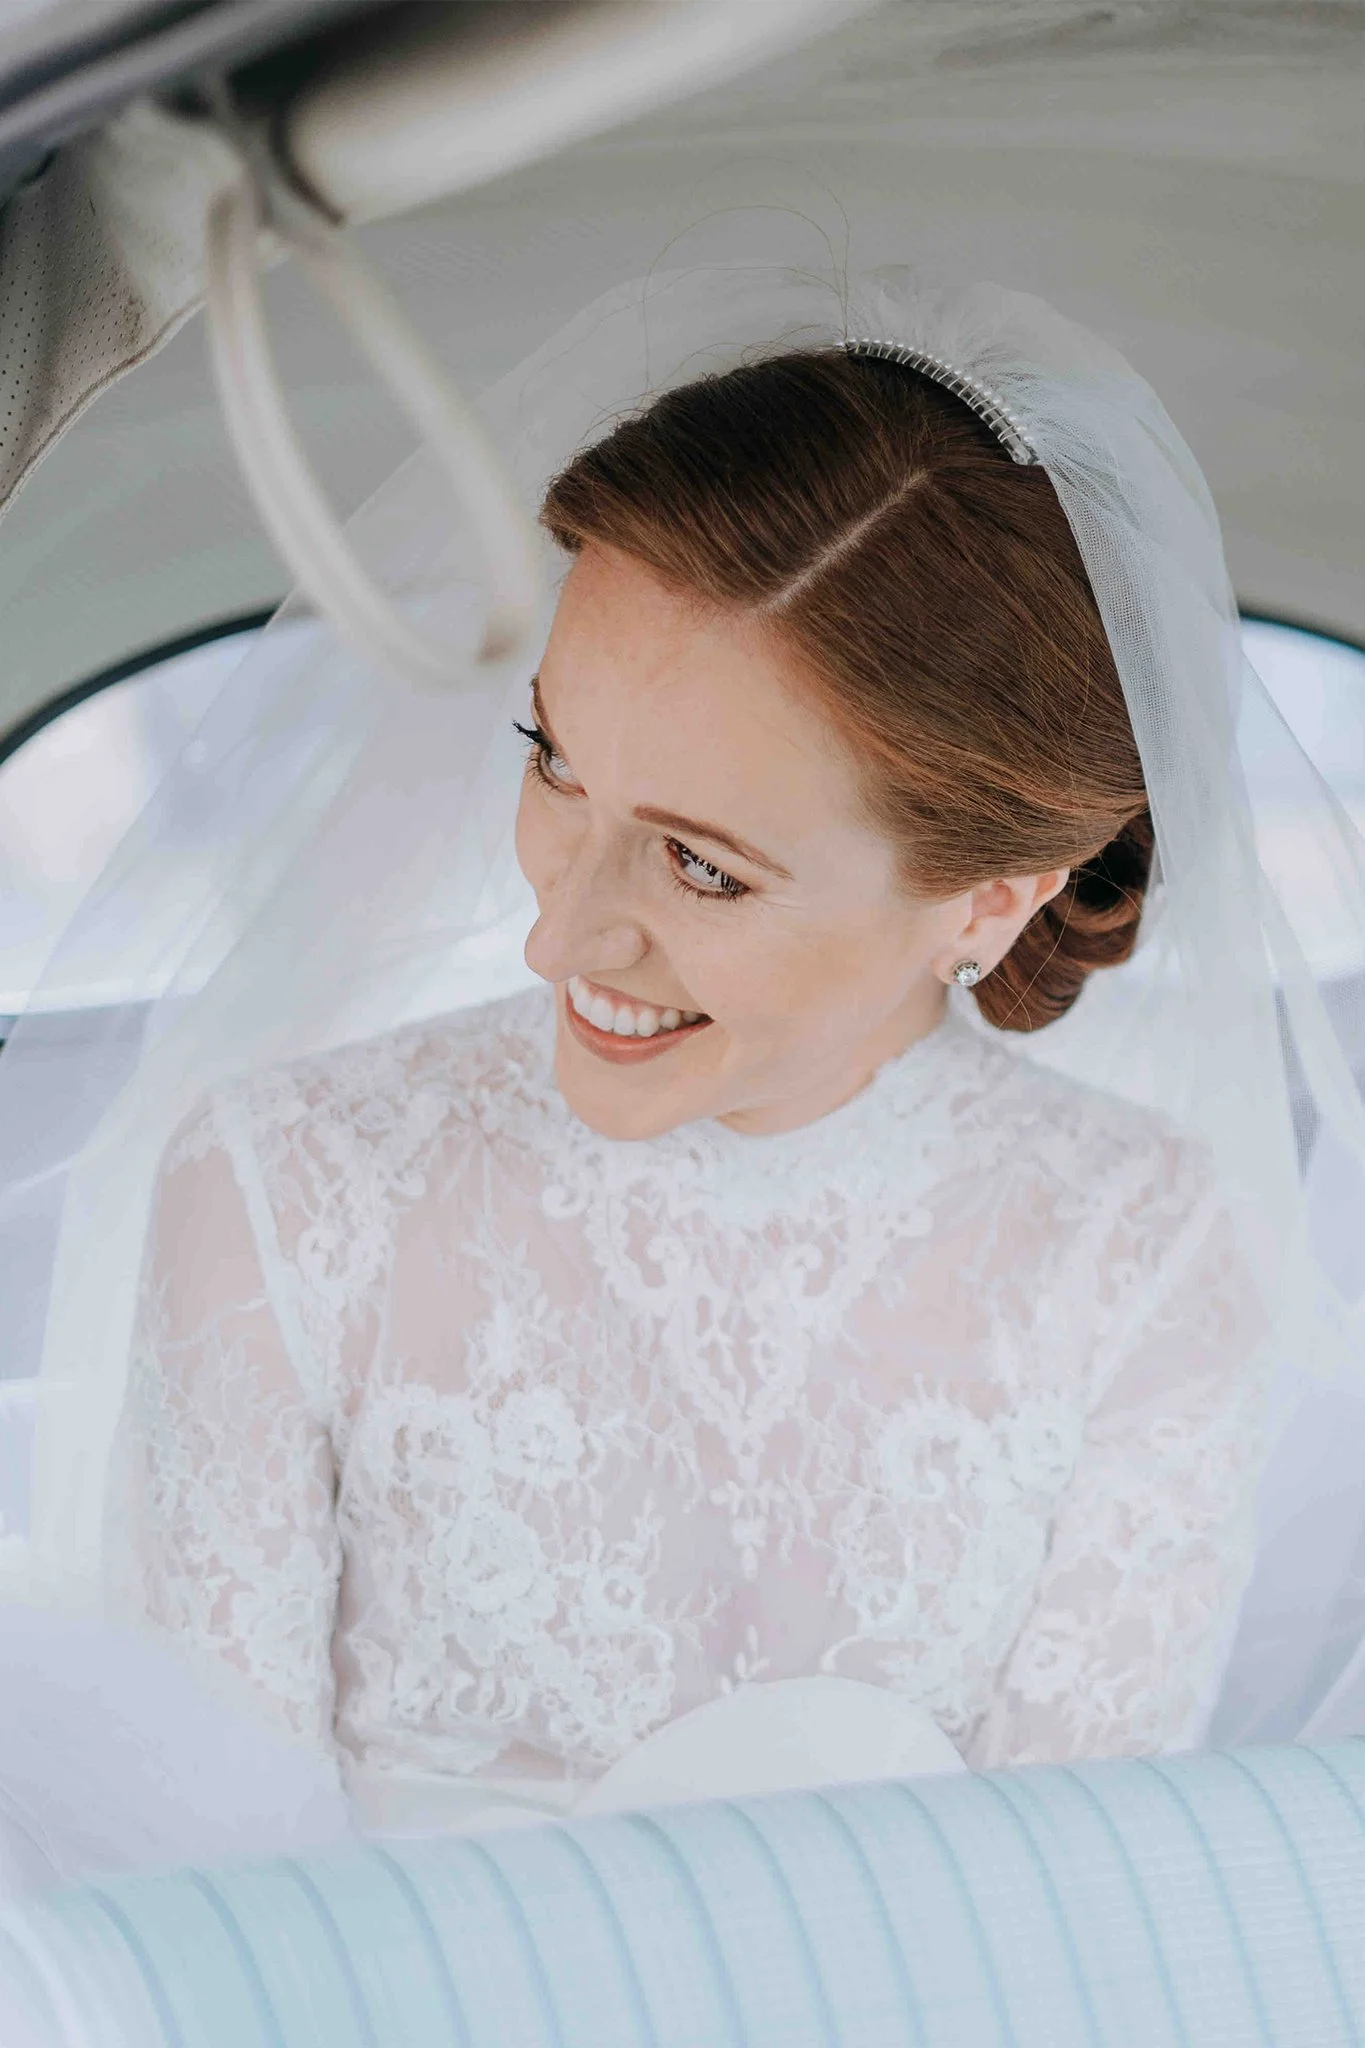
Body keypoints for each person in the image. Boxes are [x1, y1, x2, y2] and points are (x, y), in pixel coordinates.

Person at [5, 266, 1362, 1850]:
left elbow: (1061, 1913)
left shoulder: (1146, 1251)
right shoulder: (280, 1189)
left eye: (703, 867)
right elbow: (214, 1896)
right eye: (553, 764)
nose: (559, 938)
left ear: (989, 903)